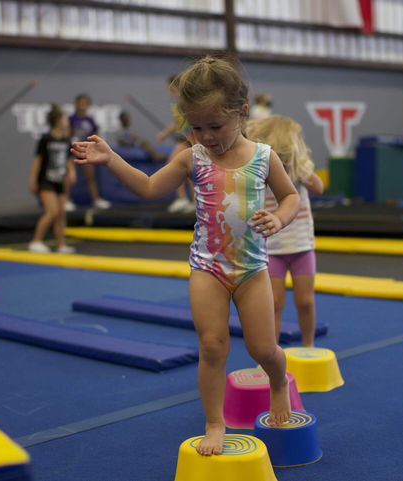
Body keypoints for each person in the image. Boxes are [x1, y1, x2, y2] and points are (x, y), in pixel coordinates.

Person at [70, 55, 300, 456]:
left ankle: (278, 382)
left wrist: (280, 219)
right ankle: (215, 420)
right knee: (212, 346)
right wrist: (112, 159)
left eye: (215, 126)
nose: (206, 136)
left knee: (263, 349)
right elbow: (146, 186)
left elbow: (291, 196)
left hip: (252, 270)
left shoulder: (264, 157)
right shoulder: (191, 157)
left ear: (242, 114)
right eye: (195, 127)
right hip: (208, 267)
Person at [247, 115, 324, 347]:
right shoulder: (263, 171)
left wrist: (301, 168)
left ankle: (308, 345)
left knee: (305, 302)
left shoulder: (300, 172)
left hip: (302, 248)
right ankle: (271, 352)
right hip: (272, 250)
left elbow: (319, 188)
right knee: (274, 303)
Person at [29, 104, 76, 253]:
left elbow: (69, 159)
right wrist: (33, 180)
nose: (67, 122)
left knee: (61, 213)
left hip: (59, 181)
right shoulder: (46, 139)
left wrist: (72, 171)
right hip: (46, 180)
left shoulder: (64, 140)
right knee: (52, 212)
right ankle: (35, 241)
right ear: (57, 121)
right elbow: (37, 160)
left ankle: (61, 245)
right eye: (65, 120)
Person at [157, 75, 196, 213]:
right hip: (182, 138)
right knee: (189, 171)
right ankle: (192, 200)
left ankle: (182, 198)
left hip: (188, 139)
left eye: (170, 86)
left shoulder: (186, 102)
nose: (168, 89)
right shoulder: (174, 103)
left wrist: (192, 136)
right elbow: (176, 123)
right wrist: (165, 133)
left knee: (172, 164)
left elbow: (192, 120)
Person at [69, 93, 111, 210]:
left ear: (88, 105)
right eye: (81, 103)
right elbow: (68, 134)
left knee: (90, 178)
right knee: (69, 177)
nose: (83, 105)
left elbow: (95, 134)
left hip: (87, 152)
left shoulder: (90, 120)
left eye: (85, 103)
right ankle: (65, 200)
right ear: (77, 104)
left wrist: (96, 148)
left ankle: (96, 199)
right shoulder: (72, 119)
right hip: (72, 151)